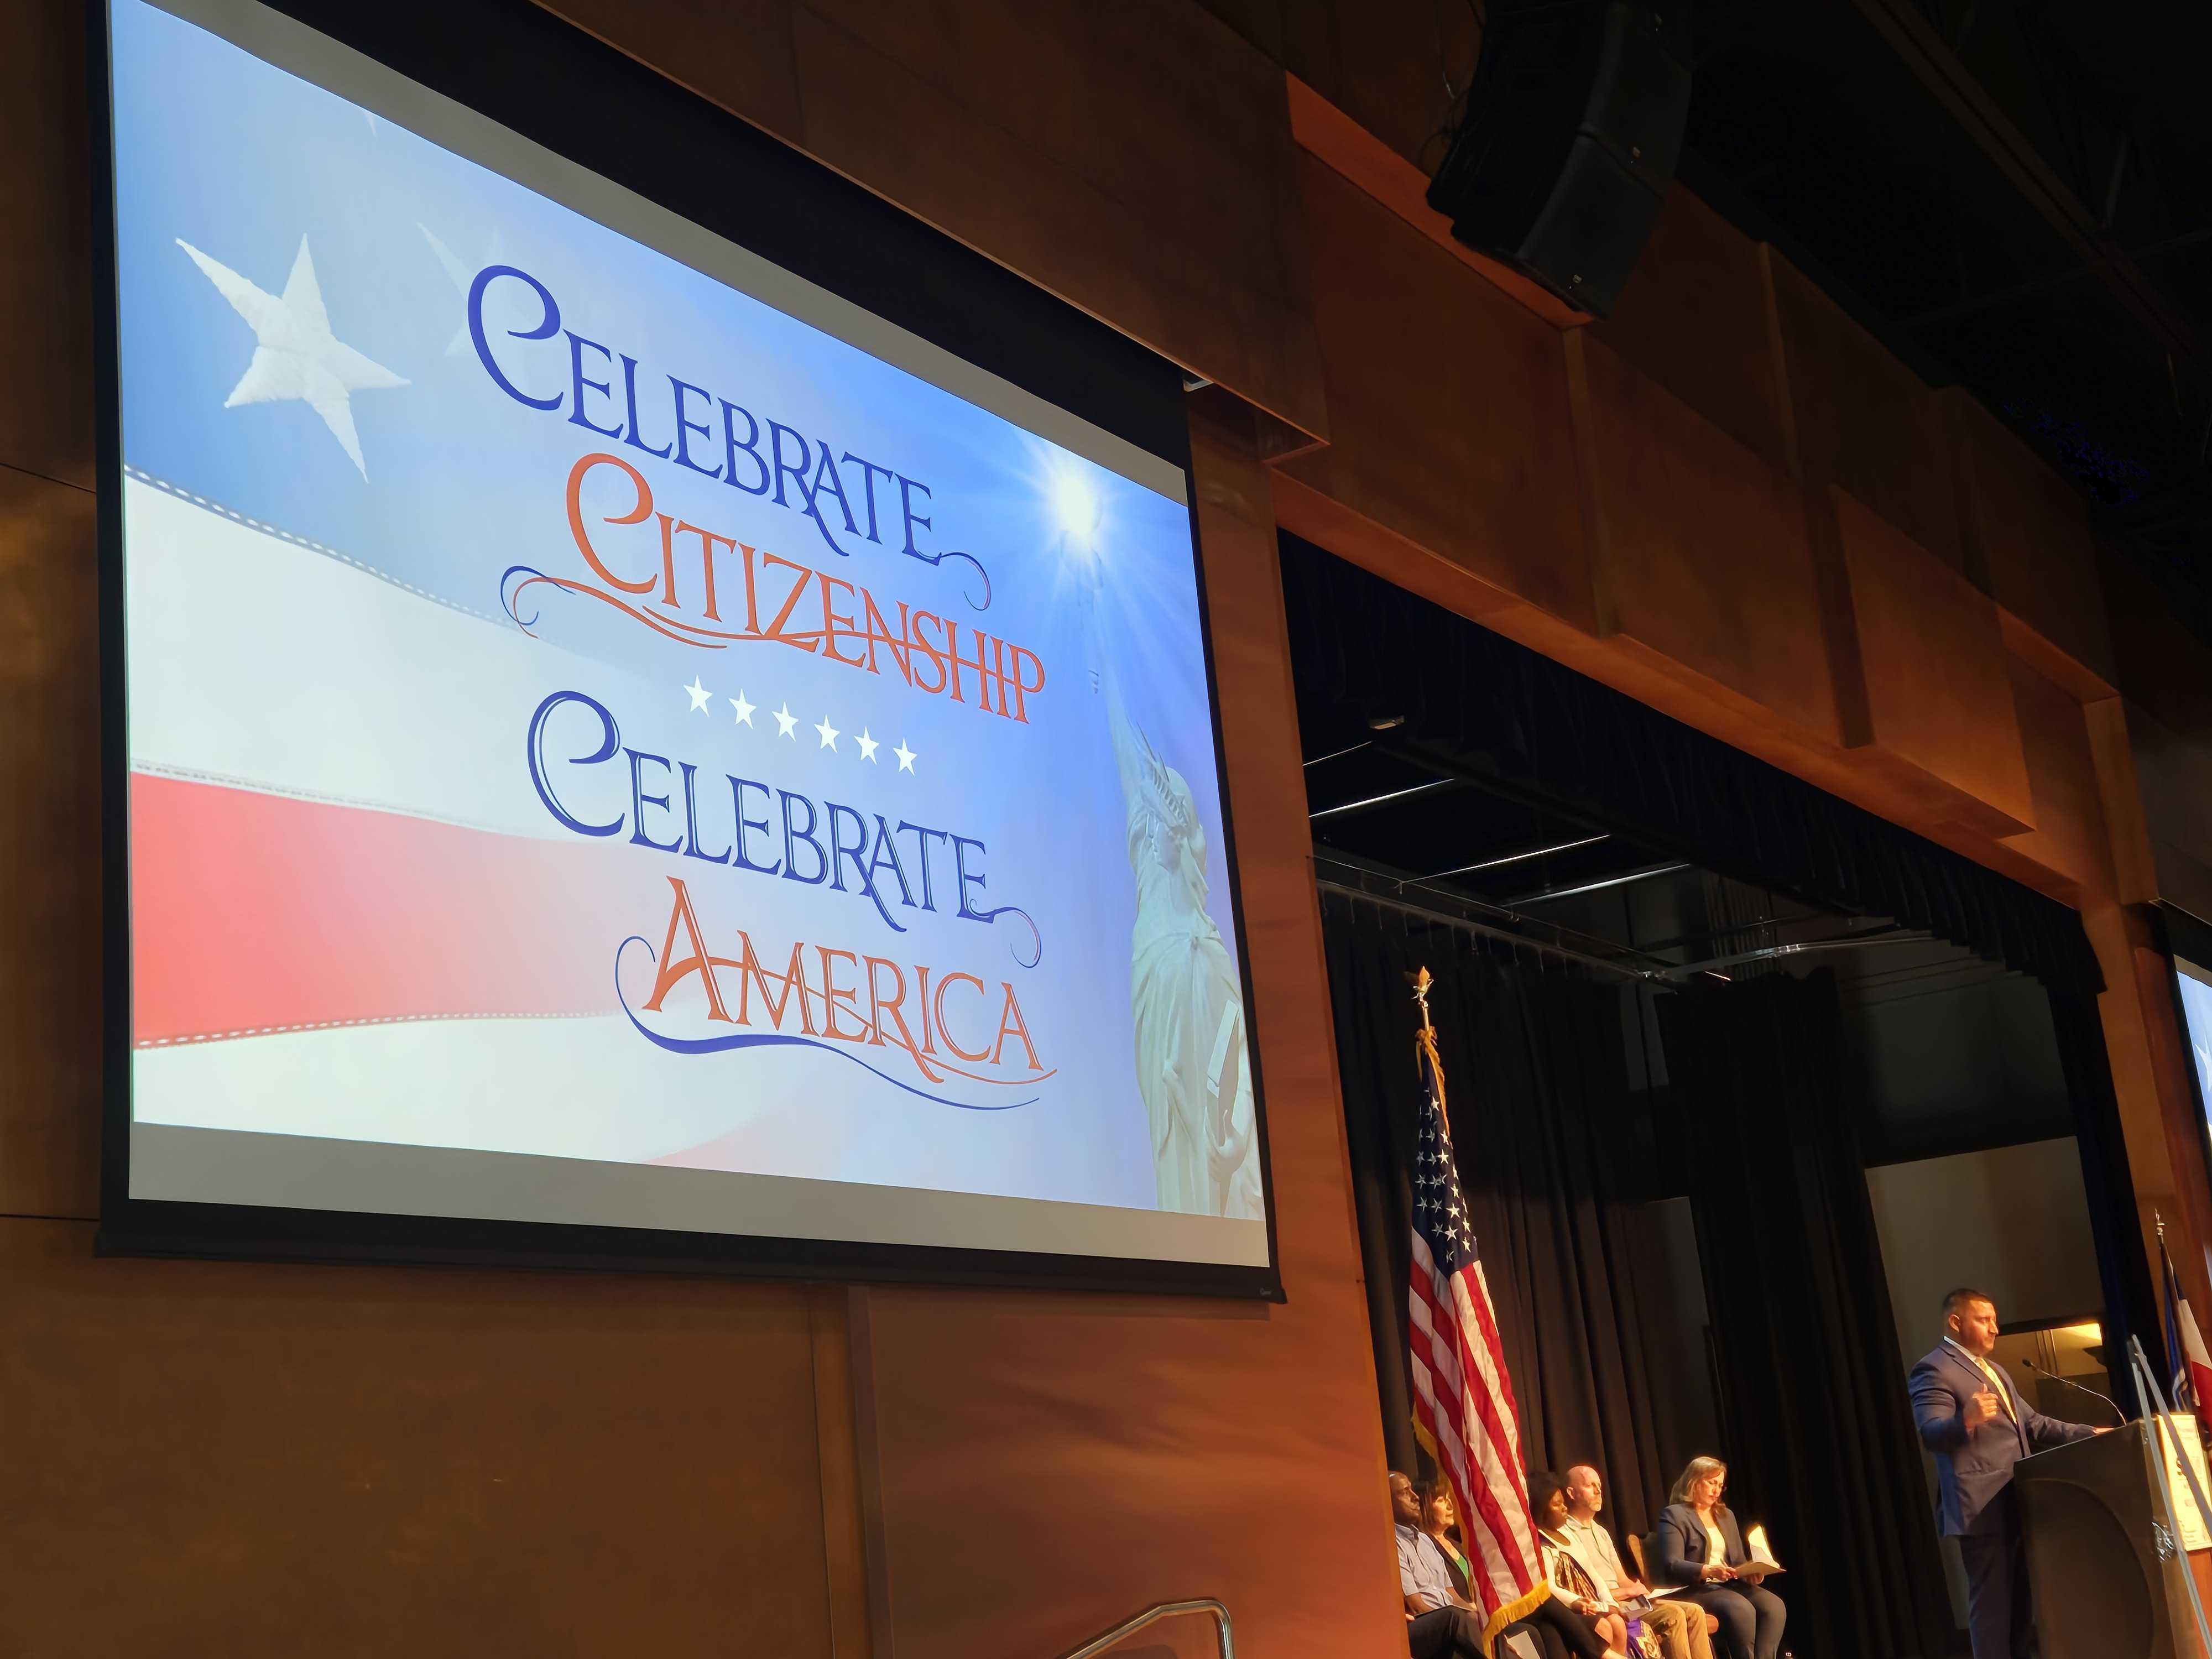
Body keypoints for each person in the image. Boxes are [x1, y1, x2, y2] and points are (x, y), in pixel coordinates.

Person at [1908, 1287, 2105, 1659]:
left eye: (1995, 1320)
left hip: (2017, 1500)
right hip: (1981, 1509)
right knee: (1993, 1611)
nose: (1994, 1329)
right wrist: (1963, 1422)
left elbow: (2034, 1425)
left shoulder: (1995, 1371)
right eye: (1984, 1320)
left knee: (2022, 1607)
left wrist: (2091, 1433)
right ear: (1956, 1322)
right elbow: (1930, 1434)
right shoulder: (1933, 1368)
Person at [1391, 1470, 1625, 1659]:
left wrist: (1476, 1612)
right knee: (1529, 1602)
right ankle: (1600, 1653)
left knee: (1538, 1628)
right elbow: (1417, 1604)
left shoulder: (1434, 1543)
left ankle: (1599, 1653)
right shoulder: (1395, 1542)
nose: (1415, 1497)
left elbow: (1452, 1594)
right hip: (1441, 1620)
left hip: (1468, 1611)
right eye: (1405, 1493)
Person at [1561, 1464, 1712, 1659]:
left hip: (1629, 1602)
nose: (1599, 1491)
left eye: (1599, 1485)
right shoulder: (1565, 1534)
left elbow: (1622, 1579)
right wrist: (1627, 1592)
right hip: (1606, 1607)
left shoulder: (1601, 1531)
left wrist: (1640, 1590)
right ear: (1572, 1493)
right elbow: (1583, 1593)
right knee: (1673, 1615)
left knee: (1695, 1612)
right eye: (1591, 1486)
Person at [1650, 1458, 1786, 1659]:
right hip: (1695, 1587)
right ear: (1694, 1481)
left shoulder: (1726, 1515)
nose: (1717, 1490)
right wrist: (1709, 1570)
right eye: (1712, 1483)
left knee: (1774, 1606)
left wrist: (1751, 1573)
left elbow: (1738, 1561)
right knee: (1741, 1608)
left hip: (1730, 1585)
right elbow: (1672, 1564)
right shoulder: (1674, 1515)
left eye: (1720, 1485)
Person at [1530, 1469, 1631, 1655]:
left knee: (1617, 1622)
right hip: (1573, 1607)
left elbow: (1593, 1573)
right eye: (1557, 1505)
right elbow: (1549, 1587)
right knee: (1604, 1627)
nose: (1564, 1509)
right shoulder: (1541, 1544)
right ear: (1541, 1510)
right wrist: (1578, 1602)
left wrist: (1608, 1602)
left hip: (1594, 1602)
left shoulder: (1569, 1534)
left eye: (1563, 1503)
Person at [1418, 1478, 1475, 1599]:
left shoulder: (1457, 1545)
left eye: (1449, 1499)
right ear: (1424, 1507)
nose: (1450, 1506)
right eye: (1441, 1501)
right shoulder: (1421, 1546)